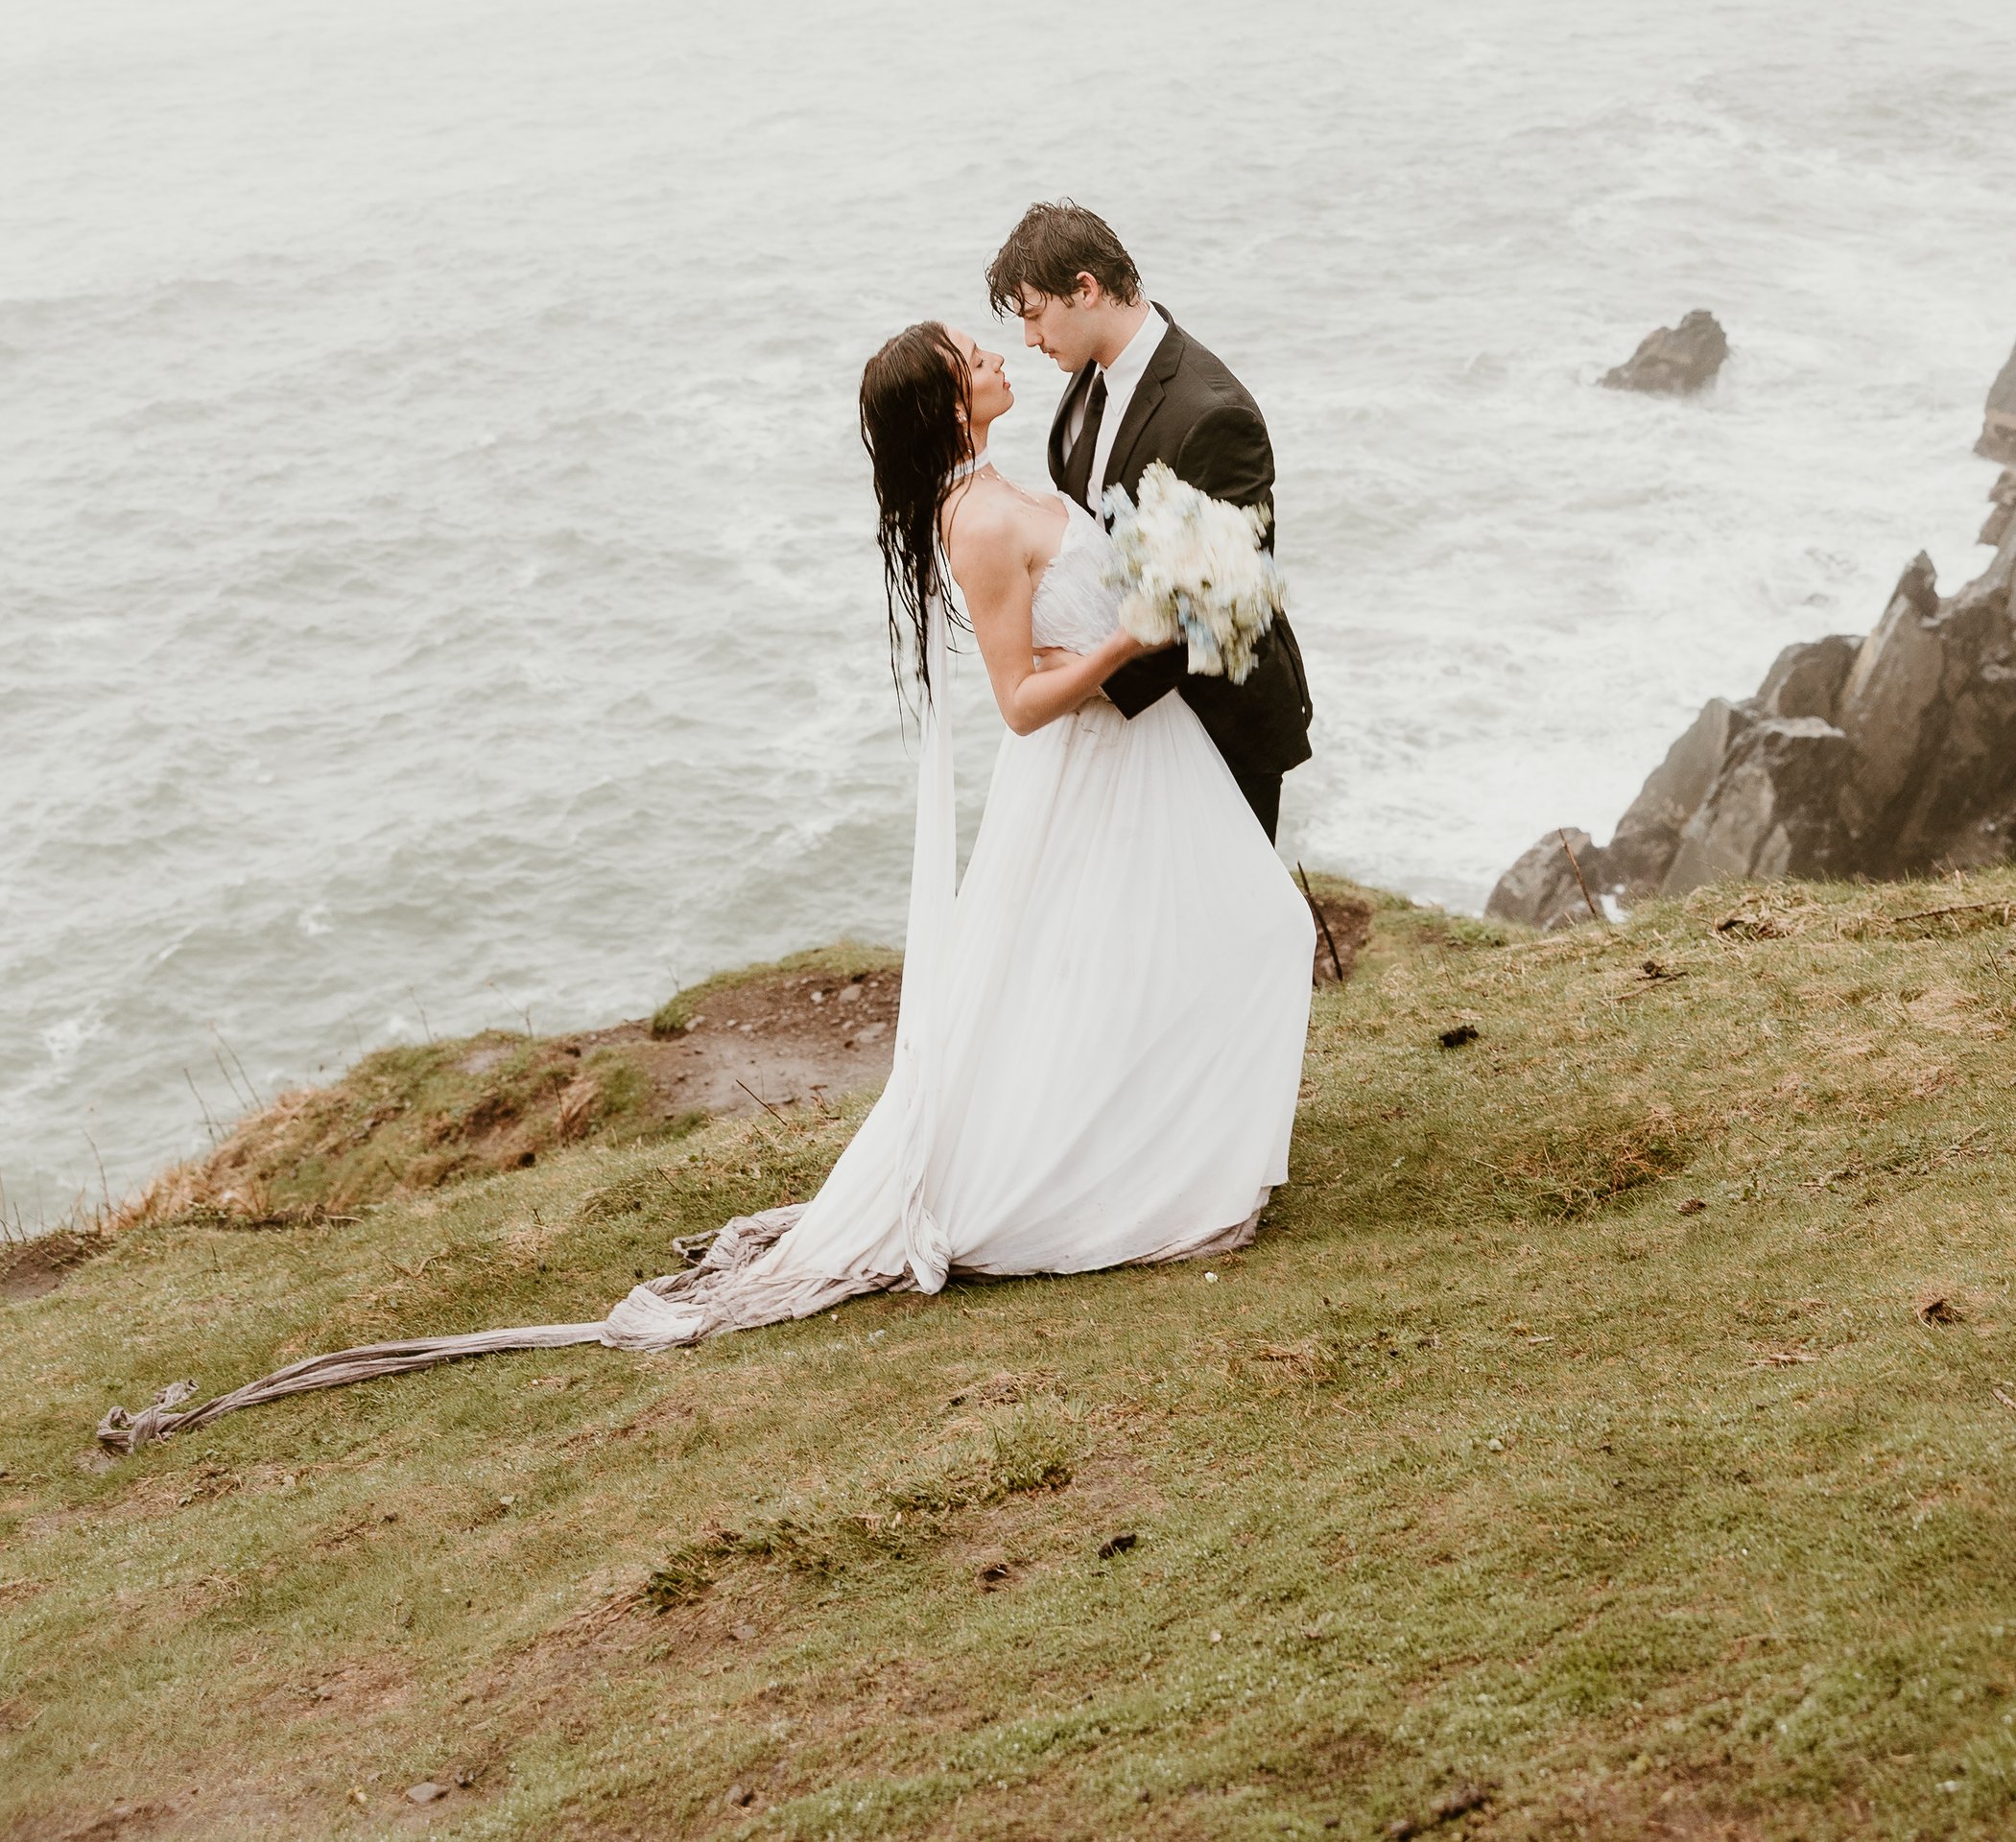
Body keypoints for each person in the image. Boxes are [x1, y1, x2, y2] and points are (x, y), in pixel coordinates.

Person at [98, 304, 1316, 1445]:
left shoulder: (1002, 486)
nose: (997, 356)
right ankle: (1134, 1178)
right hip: (1096, 768)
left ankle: (1157, 1145)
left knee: (1178, 952)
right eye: (970, 359)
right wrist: (1137, 626)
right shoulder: (982, 520)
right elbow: (1018, 703)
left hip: (1138, 767)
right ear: (950, 408)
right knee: (1227, 937)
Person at [984, 201, 1314, 840]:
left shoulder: (1214, 415)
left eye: (1033, 315)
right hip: (1129, 731)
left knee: (1217, 928)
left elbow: (1228, 604)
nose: (1029, 340)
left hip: (1217, 730)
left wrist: (1090, 683)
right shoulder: (1089, 377)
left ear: (1086, 288)